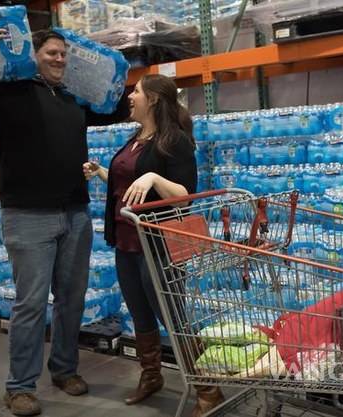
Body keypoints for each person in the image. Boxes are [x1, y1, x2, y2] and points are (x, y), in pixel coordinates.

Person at [0, 16, 129, 417]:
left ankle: (64, 369)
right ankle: (20, 387)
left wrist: (131, 80)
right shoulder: (10, 92)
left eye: (64, 54)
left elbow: (117, 107)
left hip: (75, 214)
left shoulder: (73, 99)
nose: (60, 59)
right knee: (30, 305)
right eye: (52, 53)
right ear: (35, 54)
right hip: (28, 217)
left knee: (71, 299)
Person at [83, 74, 224, 416]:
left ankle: (208, 388)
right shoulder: (136, 138)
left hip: (158, 245)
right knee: (140, 313)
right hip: (126, 241)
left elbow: (183, 198)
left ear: (154, 100)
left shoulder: (173, 140)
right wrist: (102, 171)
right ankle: (151, 376)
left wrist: (155, 177)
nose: (129, 97)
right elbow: (130, 188)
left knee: (171, 316)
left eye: (136, 92)